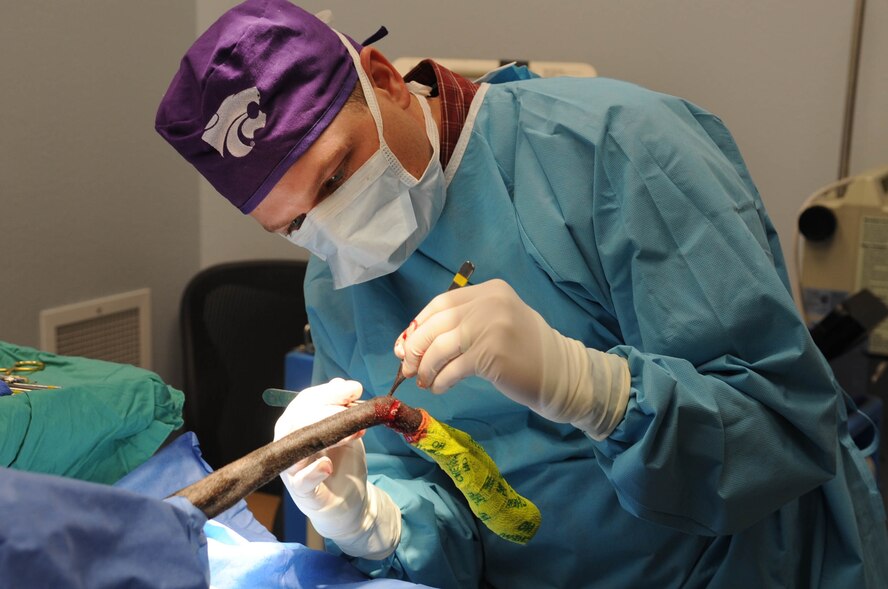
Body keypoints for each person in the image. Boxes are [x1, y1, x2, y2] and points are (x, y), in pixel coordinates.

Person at [155, 1, 888, 587]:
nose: (335, 227)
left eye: (339, 174)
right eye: (296, 224)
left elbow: (784, 429)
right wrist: (373, 515)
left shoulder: (620, 147)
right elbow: (436, 499)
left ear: (381, 79)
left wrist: (593, 387)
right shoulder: (338, 280)